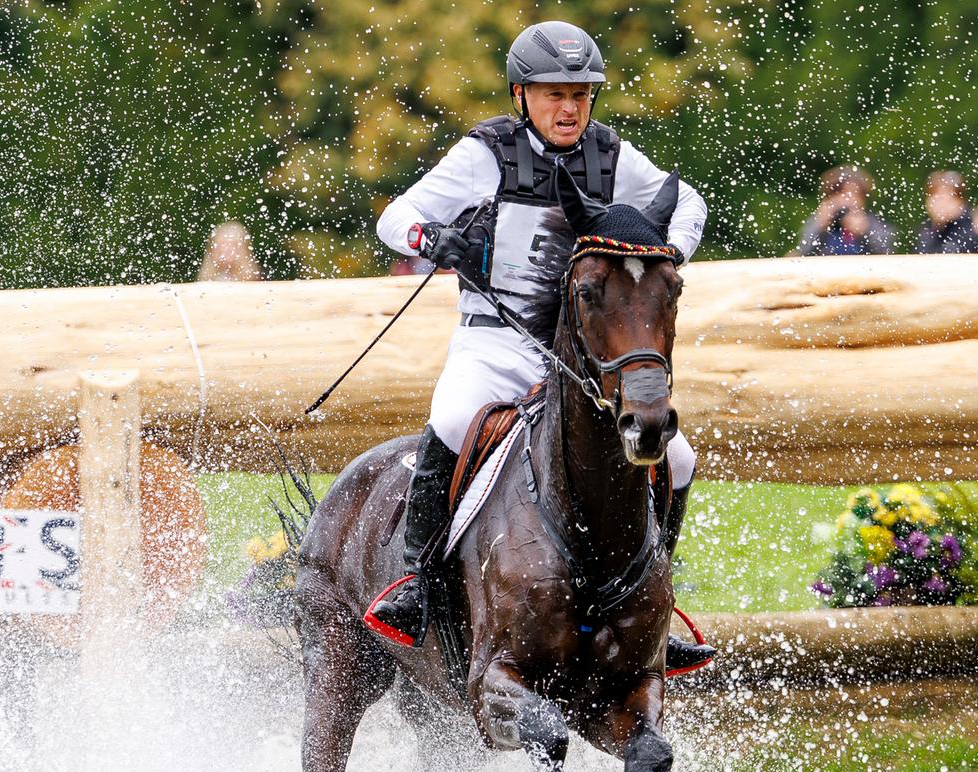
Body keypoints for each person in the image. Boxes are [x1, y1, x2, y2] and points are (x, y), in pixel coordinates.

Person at [368, 20, 713, 673]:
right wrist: (430, 242)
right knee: (448, 420)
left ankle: (653, 603)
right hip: (493, 345)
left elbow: (686, 202)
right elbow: (395, 217)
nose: (569, 109)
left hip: (577, 359)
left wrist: (663, 261)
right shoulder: (486, 154)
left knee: (682, 456)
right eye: (555, 94)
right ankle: (416, 584)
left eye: (582, 96)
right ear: (521, 94)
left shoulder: (612, 156)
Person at [797, 166, 894, 256]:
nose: (847, 199)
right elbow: (804, 252)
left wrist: (865, 234)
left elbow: (885, 254)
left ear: (863, 199)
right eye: (840, 193)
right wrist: (820, 227)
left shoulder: (872, 223)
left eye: (854, 193)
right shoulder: (821, 221)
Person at [915, 170, 978, 254]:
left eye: (946, 199)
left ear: (961, 202)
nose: (940, 205)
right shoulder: (926, 231)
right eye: (935, 197)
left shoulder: (973, 228)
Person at [197, 221, 263, 282]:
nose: (225, 249)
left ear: (244, 250)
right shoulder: (206, 281)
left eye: (233, 245)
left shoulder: (255, 281)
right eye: (222, 244)